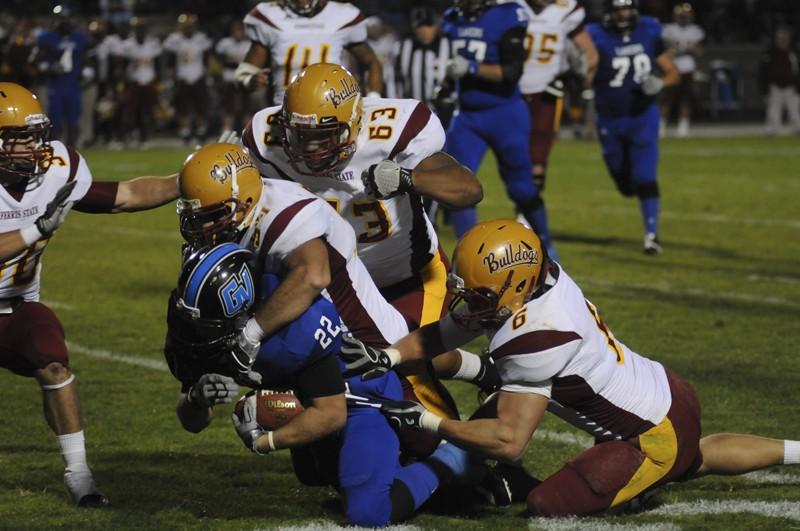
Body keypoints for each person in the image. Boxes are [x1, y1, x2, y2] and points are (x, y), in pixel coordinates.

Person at [341, 218, 800, 518]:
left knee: (545, 504)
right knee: (693, 457)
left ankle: (637, 486)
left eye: (479, 296)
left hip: (648, 437)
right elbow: (443, 337)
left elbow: (510, 442)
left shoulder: (536, 336)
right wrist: (391, 356)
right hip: (665, 391)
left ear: (514, 287)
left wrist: (427, 421)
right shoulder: (541, 279)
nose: (469, 304)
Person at [242, 62, 495, 456]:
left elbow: (468, 189)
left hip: (410, 274)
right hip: (343, 289)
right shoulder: (265, 141)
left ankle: (460, 461)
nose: (310, 149)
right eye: (300, 135)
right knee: (358, 376)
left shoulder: (394, 131)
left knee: (413, 365)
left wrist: (409, 178)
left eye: (322, 136)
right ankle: (477, 379)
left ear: (354, 122)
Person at [164, 242, 472, 527]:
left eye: (207, 325)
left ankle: (450, 458)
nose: (195, 332)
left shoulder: (296, 328)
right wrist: (197, 398)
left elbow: (331, 414)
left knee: (368, 513)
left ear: (242, 317)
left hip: (361, 399)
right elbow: (192, 422)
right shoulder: (193, 327)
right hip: (312, 396)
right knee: (313, 474)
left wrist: (266, 442)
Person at [0, 82, 179, 507]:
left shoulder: (56, 168)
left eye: (35, 135)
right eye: (21, 137)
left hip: (17, 307)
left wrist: (189, 177)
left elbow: (126, 195)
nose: (35, 146)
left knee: (53, 360)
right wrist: (36, 229)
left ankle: (79, 473)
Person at [440, 0, 557, 261]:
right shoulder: (451, 19)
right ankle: (468, 255)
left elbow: (512, 72)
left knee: (521, 188)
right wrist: (447, 85)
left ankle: (547, 246)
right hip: (468, 116)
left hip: (505, 114)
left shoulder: (507, 15)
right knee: (457, 184)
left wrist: (471, 68)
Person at [586, 0, 679, 255]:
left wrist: (659, 83)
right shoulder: (595, 35)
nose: (623, 14)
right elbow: (587, 74)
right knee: (624, 183)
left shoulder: (648, 30)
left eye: (626, 8)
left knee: (645, 176)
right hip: (610, 120)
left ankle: (652, 236)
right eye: (618, 9)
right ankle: (629, 188)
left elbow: (672, 72)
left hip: (642, 116)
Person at [517, 0, 598, 193]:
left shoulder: (565, 10)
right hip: (513, 91)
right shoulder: (512, 6)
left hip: (547, 90)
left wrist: (584, 77)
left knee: (539, 152)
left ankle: (526, 210)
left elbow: (591, 54)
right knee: (514, 151)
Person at [236, 0, 383, 104]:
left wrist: (373, 99)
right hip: (283, 111)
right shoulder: (269, 15)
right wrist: (250, 81)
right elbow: (244, 72)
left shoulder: (343, 15)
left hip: (331, 109)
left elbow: (372, 63)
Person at [35, 4, 89, 146]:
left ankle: (72, 150)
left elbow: (88, 58)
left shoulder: (80, 38)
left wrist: (88, 72)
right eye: (61, 18)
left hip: (74, 84)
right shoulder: (47, 37)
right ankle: (55, 151)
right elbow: (38, 60)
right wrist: (50, 68)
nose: (64, 21)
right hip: (56, 85)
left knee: (73, 120)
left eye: (66, 18)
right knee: (54, 121)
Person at [163, 13, 212, 145]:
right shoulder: (174, 40)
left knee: (200, 106)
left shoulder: (201, 39)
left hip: (198, 76)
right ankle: (185, 131)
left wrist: (207, 76)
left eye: (190, 26)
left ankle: (201, 131)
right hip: (182, 78)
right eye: (186, 26)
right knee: (183, 107)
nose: (188, 29)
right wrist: (172, 80)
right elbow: (170, 63)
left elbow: (207, 61)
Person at [660, 2, 704, 138]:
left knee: (685, 98)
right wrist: (676, 48)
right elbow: (665, 49)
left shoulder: (695, 30)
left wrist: (690, 47)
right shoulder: (668, 29)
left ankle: (683, 125)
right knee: (667, 99)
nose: (684, 18)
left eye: (686, 15)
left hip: (687, 67)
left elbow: (700, 52)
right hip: (671, 68)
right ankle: (661, 125)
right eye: (681, 15)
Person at [118, 17, 162, 149]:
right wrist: (123, 83)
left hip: (148, 82)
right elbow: (123, 67)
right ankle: (125, 137)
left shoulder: (153, 44)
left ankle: (144, 138)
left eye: (142, 28)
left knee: (146, 112)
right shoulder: (127, 45)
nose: (140, 31)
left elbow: (158, 65)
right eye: (138, 29)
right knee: (129, 112)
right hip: (133, 82)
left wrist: (158, 82)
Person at [759, 26, 800, 136]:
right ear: (776, 38)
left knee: (795, 112)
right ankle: (772, 130)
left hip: (791, 87)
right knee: (773, 112)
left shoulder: (794, 52)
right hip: (775, 86)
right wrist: (764, 89)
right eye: (780, 36)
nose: (783, 39)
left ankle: (797, 129)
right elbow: (762, 72)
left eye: (785, 36)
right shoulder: (769, 52)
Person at [215, 20, 253, 133]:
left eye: (240, 29)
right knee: (228, 107)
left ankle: (247, 131)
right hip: (229, 78)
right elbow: (219, 60)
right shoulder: (225, 43)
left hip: (244, 78)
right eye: (236, 29)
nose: (238, 32)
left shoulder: (249, 44)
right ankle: (226, 130)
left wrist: (234, 62)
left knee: (246, 107)